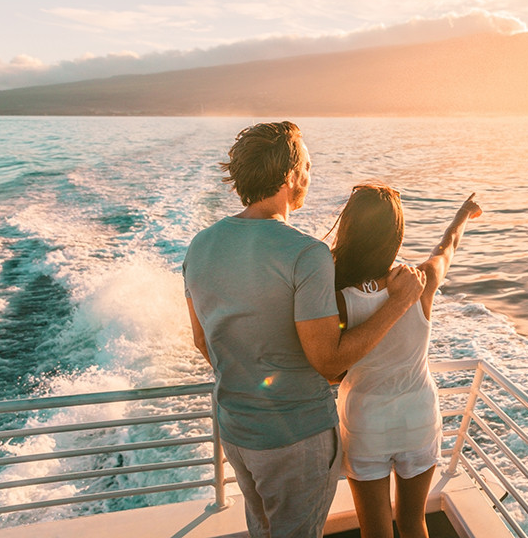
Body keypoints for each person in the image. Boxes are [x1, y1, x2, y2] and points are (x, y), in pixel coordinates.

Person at [182, 122, 426, 538]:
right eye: (308, 166)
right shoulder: (306, 255)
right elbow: (329, 363)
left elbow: (202, 340)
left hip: (236, 431)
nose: (310, 177)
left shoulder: (200, 245)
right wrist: (401, 302)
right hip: (296, 440)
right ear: (291, 176)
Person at [329, 185, 482, 538]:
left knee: (375, 532)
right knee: (414, 523)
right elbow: (448, 246)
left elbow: (333, 366)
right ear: (396, 236)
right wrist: (462, 215)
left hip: (366, 424)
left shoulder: (339, 297)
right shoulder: (420, 281)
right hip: (418, 418)